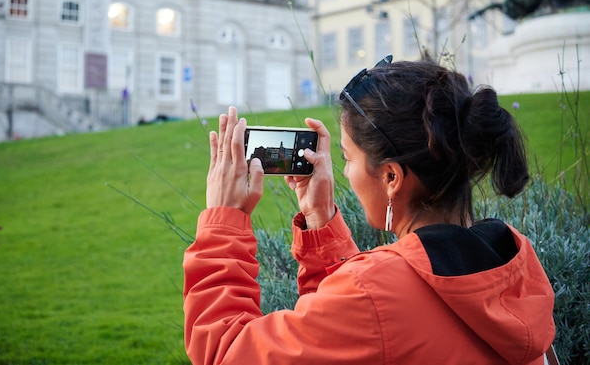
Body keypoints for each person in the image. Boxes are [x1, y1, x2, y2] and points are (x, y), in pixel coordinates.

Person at [183, 57, 556, 364]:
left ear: (392, 176)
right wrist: (320, 222)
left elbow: (226, 352)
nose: (344, 171)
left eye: (348, 158)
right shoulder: (511, 259)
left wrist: (224, 219)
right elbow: (357, 336)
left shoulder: (375, 293)